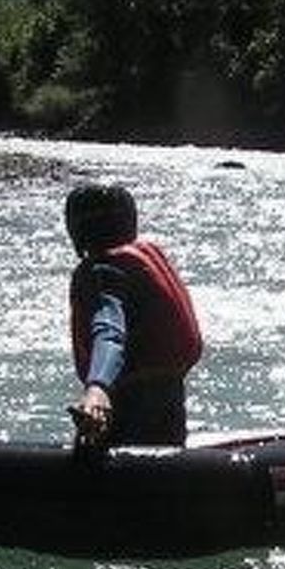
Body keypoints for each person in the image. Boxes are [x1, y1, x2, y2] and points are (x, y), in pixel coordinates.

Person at [63, 182, 203, 448]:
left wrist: (98, 388)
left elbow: (108, 330)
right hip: (169, 403)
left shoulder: (102, 272)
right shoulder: (141, 260)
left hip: (128, 406)